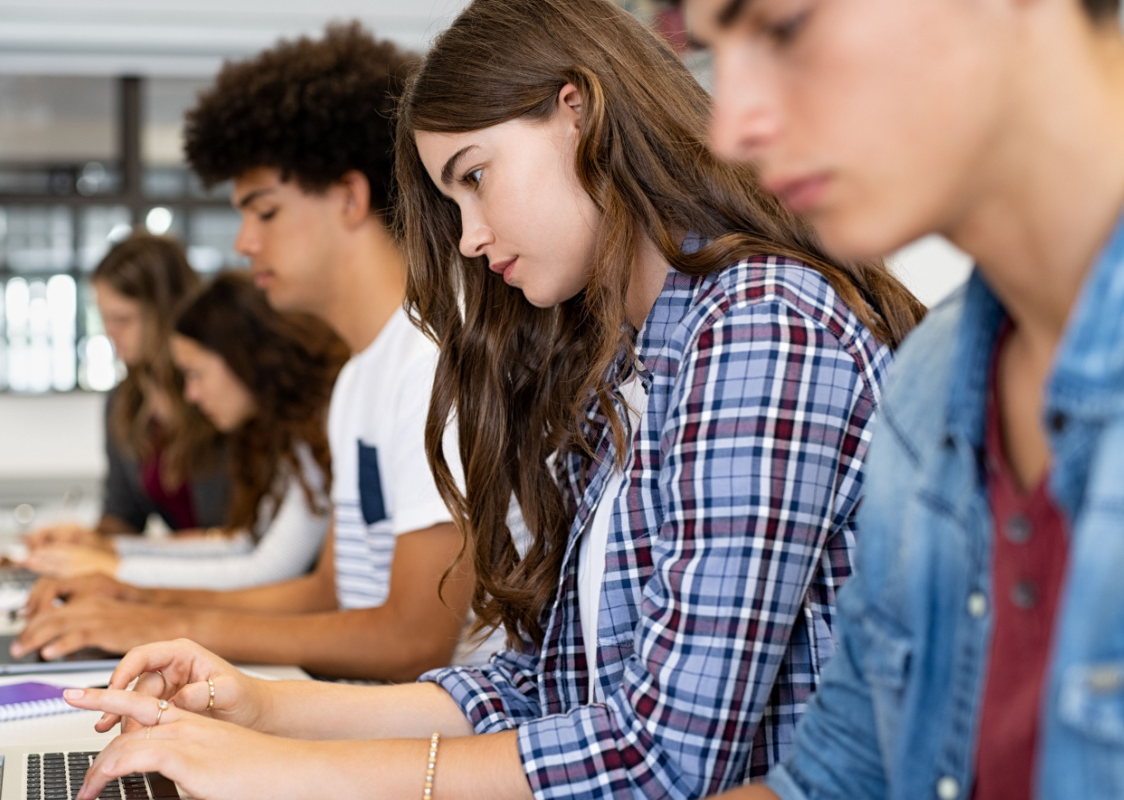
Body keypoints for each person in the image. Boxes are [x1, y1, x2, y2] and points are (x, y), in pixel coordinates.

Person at [52, 2, 927, 798]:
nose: (468, 239)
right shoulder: (623, 357)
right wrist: (262, 709)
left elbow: (662, 758)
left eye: (475, 176)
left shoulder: (758, 326)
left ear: (577, 112)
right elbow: (541, 685)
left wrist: (283, 770)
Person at [674, 0, 1124, 798]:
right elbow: (835, 778)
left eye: (782, 27)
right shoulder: (931, 384)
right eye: (714, 47)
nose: (732, 128)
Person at [13, 22, 502, 682]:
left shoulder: (428, 364)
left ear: (350, 198)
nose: (244, 242)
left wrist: (161, 626)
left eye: (264, 212)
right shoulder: (362, 376)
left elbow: (415, 639)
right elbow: (328, 593)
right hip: (364, 713)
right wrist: (139, 600)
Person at [21, 271, 348, 591]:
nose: (191, 394)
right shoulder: (290, 432)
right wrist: (109, 552)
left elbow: (269, 569)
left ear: (240, 358)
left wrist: (114, 568)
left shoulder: (320, 428)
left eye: (196, 374)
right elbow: (242, 544)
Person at [27, 232, 228, 547]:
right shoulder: (124, 400)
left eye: (123, 319)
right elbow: (124, 517)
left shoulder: (221, 394)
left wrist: (139, 552)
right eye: (104, 319)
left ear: (168, 311)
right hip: (180, 580)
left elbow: (240, 541)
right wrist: (85, 539)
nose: (110, 333)